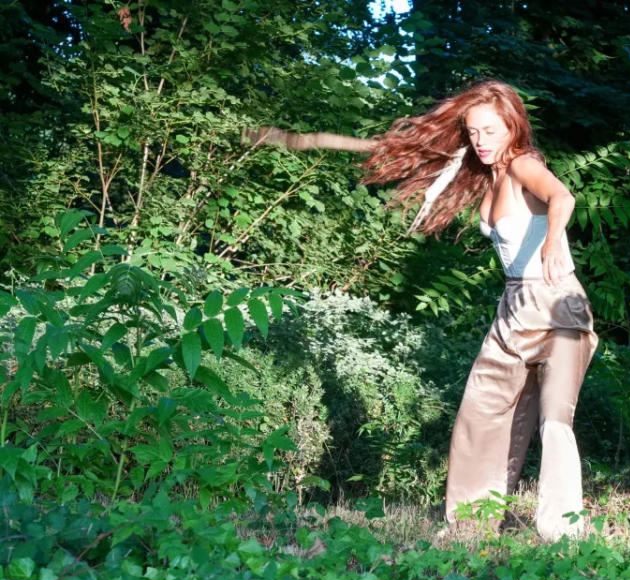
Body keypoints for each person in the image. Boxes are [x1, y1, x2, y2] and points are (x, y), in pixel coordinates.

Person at [249, 79, 598, 541]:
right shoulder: (476, 169)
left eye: (491, 131)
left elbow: (562, 197)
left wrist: (554, 240)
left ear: (512, 126)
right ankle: (471, 524)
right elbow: (385, 146)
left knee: (555, 416)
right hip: (515, 307)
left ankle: (562, 530)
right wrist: (297, 140)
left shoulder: (522, 165)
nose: (481, 141)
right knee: (481, 410)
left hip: (558, 303)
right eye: (474, 132)